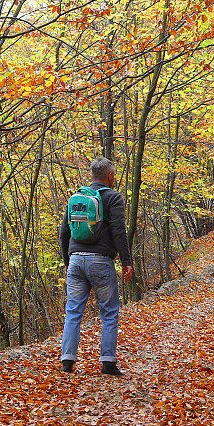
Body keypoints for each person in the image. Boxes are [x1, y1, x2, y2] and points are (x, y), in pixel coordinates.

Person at [59, 157, 133, 376]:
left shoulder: (77, 198)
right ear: (109, 176)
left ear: (92, 175)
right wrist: (127, 261)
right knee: (109, 312)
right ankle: (108, 363)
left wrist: (68, 261)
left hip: (75, 261)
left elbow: (64, 232)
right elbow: (119, 231)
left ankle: (67, 361)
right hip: (100, 261)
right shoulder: (113, 197)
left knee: (73, 312)